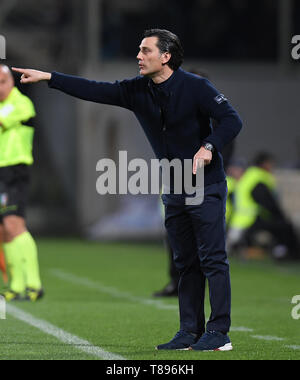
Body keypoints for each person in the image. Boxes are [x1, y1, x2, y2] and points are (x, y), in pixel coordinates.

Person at [12, 28, 242, 351]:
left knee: (213, 259)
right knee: (185, 262)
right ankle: (190, 330)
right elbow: (93, 89)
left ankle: (220, 332)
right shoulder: (136, 90)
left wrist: (208, 146)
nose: (138, 56)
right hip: (174, 185)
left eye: (146, 50)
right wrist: (50, 77)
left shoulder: (196, 87)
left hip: (206, 184)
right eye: (138, 50)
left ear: (166, 57)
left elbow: (232, 120)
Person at [0, 65, 43, 301]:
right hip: (1, 171)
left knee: (14, 225)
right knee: (4, 228)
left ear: (11, 82)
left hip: (14, 170)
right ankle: (16, 285)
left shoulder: (21, 104)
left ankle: (34, 284)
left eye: (2, 82)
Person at [228, 152, 300, 260]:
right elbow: (268, 203)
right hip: (249, 220)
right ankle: (284, 253)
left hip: (238, 221)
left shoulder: (247, 177)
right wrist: (279, 215)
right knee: (283, 227)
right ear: (264, 164)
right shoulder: (257, 178)